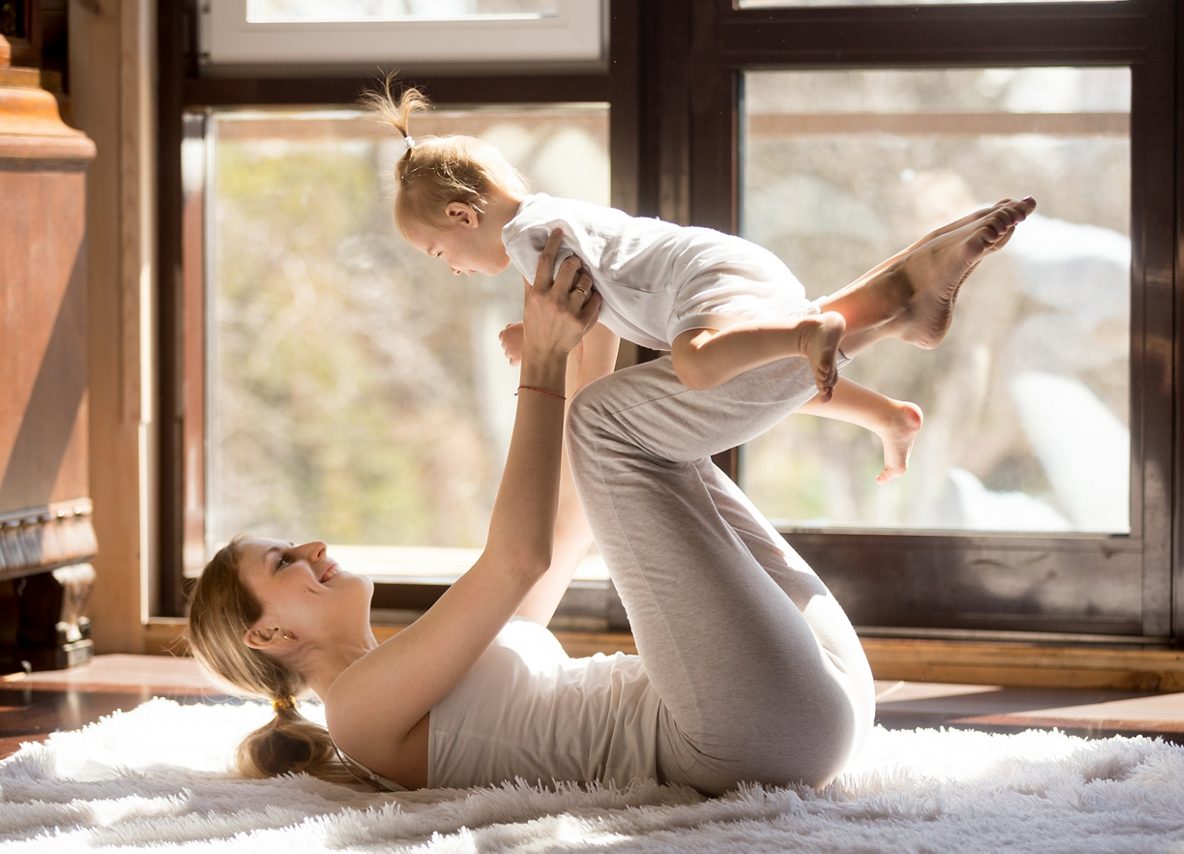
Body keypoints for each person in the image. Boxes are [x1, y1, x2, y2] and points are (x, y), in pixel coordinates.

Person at [186, 194, 1033, 793]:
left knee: (654, 428)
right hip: (744, 735)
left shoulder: (427, 662)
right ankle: (879, 313)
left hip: (809, 698)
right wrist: (548, 369)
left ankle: (887, 307)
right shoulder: (361, 716)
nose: (315, 549)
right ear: (268, 631)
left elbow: (570, 523)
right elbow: (518, 558)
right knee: (613, 427)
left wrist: (574, 313)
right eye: (285, 560)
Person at [363, 79, 1037, 484]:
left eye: (436, 251)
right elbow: (584, 302)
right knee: (758, 382)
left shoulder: (523, 237)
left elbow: (566, 311)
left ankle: (812, 329)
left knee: (695, 364)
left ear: (462, 215)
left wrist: (528, 333)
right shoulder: (546, 219)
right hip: (722, 264)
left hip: (699, 282)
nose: (447, 267)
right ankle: (887, 411)